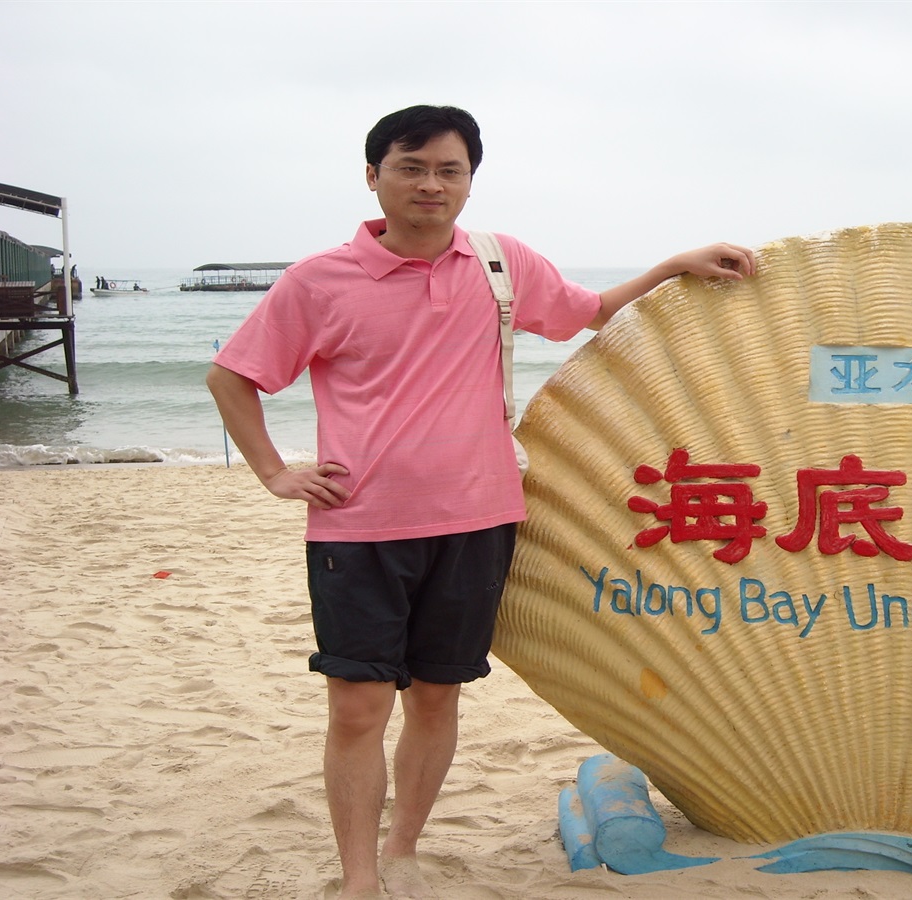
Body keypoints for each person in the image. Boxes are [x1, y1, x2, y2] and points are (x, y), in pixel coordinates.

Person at [206, 104, 754, 900]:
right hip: (359, 528)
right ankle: (358, 877)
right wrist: (273, 471)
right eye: (411, 167)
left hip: (478, 520)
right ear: (374, 176)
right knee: (357, 707)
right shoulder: (318, 280)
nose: (431, 184)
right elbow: (233, 375)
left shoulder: (501, 264)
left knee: (437, 695)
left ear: (468, 181)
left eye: (449, 170)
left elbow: (588, 314)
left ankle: (403, 848)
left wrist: (672, 266)